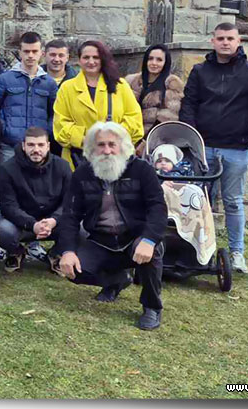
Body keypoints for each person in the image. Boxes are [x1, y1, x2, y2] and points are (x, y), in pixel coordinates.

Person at [55, 122, 167, 331]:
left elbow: (158, 209)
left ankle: (151, 306)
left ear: (122, 146)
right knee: (73, 269)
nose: (107, 151)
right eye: (100, 145)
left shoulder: (142, 170)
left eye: (111, 145)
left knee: (152, 253)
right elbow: (70, 215)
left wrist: (149, 240)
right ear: (91, 148)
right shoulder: (82, 174)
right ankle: (117, 281)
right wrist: (68, 251)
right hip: (100, 240)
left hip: (136, 238)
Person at [179, 22, 248, 274]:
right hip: (203, 147)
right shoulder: (199, 71)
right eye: (221, 38)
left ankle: (237, 253)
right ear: (213, 41)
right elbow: (189, 105)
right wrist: (191, 140)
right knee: (198, 201)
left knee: (233, 202)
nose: (225, 42)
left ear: (239, 41)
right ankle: (196, 249)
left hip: (236, 148)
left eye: (230, 38)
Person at [53, 40, 144, 171]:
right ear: (79, 60)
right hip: (78, 162)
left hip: (117, 161)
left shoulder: (120, 85)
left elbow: (135, 121)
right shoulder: (67, 88)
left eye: (96, 57)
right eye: (86, 57)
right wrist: (87, 140)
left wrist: (111, 137)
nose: (91, 61)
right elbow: (60, 126)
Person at [0, 126, 71, 271]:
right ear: (23, 146)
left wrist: (54, 220)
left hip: (54, 224)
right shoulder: (7, 168)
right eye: (31, 145)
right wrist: (33, 224)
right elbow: (8, 207)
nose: (36, 149)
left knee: (81, 227)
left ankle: (55, 254)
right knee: (2, 229)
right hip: (22, 225)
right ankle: (17, 252)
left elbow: (70, 202)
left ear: (48, 146)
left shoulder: (63, 166)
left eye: (41, 145)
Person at [0, 31, 59, 166]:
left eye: (35, 51)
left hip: (38, 147)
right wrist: (5, 130)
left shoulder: (49, 83)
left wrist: (47, 131)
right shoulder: (4, 79)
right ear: (20, 52)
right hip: (10, 145)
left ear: (42, 53)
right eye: (26, 51)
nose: (30, 55)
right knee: (7, 183)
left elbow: (55, 113)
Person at [125, 44, 184, 151]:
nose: (154, 63)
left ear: (165, 63)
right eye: (150, 59)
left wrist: (144, 144)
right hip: (127, 139)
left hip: (154, 142)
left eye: (159, 60)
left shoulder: (171, 84)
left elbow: (167, 119)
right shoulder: (131, 81)